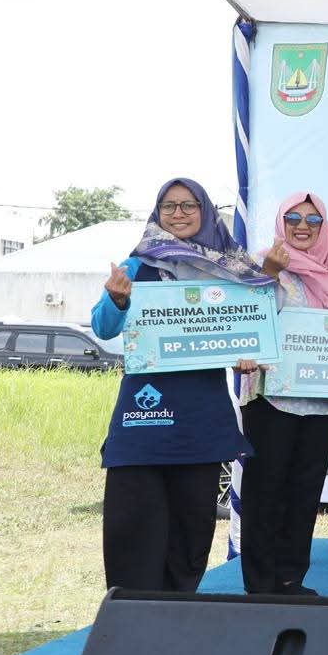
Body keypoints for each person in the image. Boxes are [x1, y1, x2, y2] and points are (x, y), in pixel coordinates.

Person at [91, 178, 274, 591]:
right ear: (157, 213)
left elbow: (252, 331)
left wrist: (248, 352)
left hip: (200, 417)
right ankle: (133, 612)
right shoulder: (137, 265)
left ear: (205, 211)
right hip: (144, 416)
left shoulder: (232, 270)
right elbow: (102, 327)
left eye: (188, 205)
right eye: (169, 206)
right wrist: (118, 301)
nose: (178, 214)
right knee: (132, 524)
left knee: (192, 527)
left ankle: (177, 608)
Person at [239, 192, 328, 596]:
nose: (302, 226)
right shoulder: (261, 263)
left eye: (313, 220)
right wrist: (268, 275)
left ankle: (291, 579)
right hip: (271, 400)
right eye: (293, 218)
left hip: (320, 403)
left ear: (323, 227)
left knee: (304, 492)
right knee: (265, 492)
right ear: (281, 222)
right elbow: (246, 320)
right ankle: (260, 584)